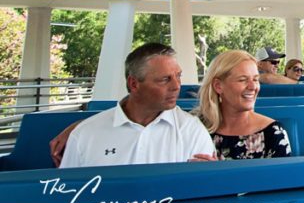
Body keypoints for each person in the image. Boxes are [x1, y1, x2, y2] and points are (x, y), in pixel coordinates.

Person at [56, 43, 215, 168]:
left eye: (178, 76)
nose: (177, 86)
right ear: (134, 84)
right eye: (164, 79)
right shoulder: (86, 133)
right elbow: (68, 194)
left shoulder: (192, 130)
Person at [195, 50, 291, 159]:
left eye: (255, 79)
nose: (252, 87)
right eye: (242, 80)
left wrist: (216, 174)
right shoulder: (195, 128)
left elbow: (281, 176)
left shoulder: (273, 132)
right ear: (218, 86)